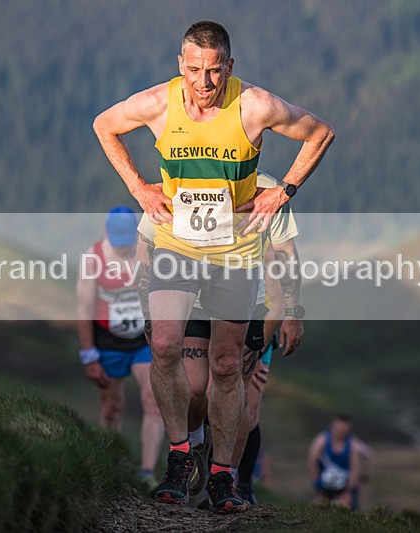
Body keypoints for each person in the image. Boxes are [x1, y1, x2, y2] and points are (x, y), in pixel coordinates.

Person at [94, 20, 333, 514]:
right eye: (195, 69)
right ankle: (180, 457)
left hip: (234, 253)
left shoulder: (255, 105)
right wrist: (139, 188)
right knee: (164, 345)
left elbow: (319, 133)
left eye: (215, 70)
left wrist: (282, 192)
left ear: (230, 66)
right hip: (176, 245)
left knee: (226, 365)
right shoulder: (159, 103)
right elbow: (104, 125)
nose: (204, 82)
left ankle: (223, 476)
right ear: (180, 65)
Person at [135, 171, 305, 507]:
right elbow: (146, 244)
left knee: (233, 383)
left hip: (245, 298)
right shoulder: (178, 175)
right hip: (191, 298)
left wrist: (292, 311)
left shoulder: (269, 189)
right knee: (195, 388)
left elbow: (286, 251)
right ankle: (194, 447)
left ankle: (225, 479)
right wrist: (148, 306)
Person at [75, 206, 165, 494]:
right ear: (106, 232)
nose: (124, 245)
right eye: (118, 239)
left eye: (128, 239)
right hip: (108, 342)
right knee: (112, 407)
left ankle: (146, 472)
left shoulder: (148, 253)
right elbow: (84, 309)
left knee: (153, 400)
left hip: (142, 341)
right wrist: (89, 356)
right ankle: (111, 463)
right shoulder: (93, 258)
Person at [308, 415, 362, 509]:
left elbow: (355, 467)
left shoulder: (352, 444)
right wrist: (317, 481)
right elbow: (312, 460)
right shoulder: (322, 440)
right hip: (324, 483)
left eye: (344, 430)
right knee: (319, 507)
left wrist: (348, 490)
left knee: (345, 507)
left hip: (344, 484)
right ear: (332, 427)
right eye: (339, 428)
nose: (341, 432)